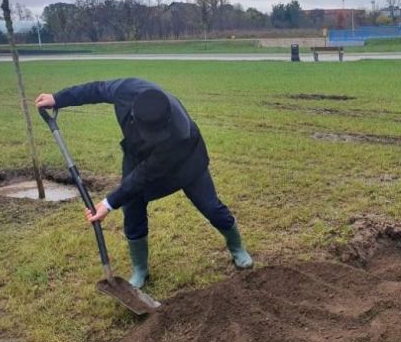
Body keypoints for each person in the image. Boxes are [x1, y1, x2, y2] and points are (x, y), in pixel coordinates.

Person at [35, 78, 253, 288]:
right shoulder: (126, 90)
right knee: (133, 208)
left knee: (210, 206)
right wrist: (58, 98)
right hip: (138, 156)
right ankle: (140, 269)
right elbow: (97, 89)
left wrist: (108, 203)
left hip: (186, 161)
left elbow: (145, 174)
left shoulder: (179, 132)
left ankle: (237, 248)